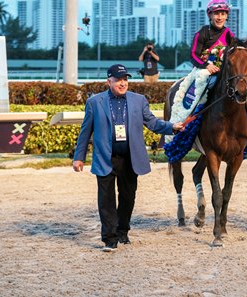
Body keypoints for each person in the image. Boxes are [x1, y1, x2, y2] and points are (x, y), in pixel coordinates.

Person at [72, 64, 184, 252]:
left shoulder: (139, 100)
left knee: (127, 197)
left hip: (130, 158)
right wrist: (78, 157)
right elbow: (85, 132)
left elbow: (152, 122)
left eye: (125, 80)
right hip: (105, 158)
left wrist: (171, 127)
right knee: (106, 200)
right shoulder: (94, 103)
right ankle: (109, 238)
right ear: (109, 81)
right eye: (118, 80)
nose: (122, 83)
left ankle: (122, 231)